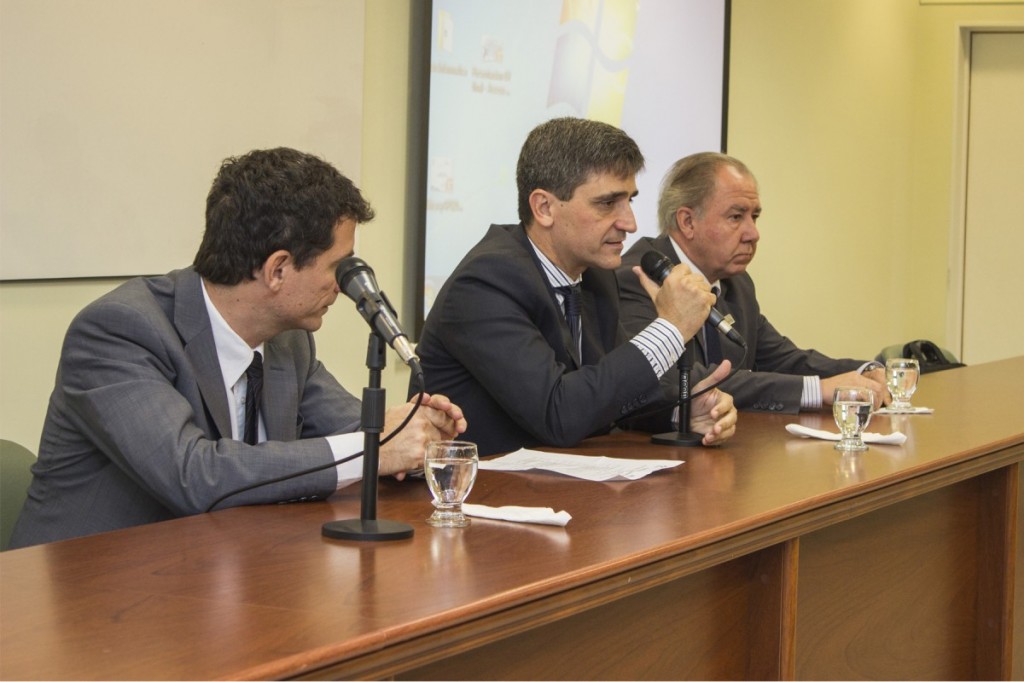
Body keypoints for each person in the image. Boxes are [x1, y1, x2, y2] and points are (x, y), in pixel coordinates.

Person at [10, 147, 466, 548]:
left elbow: (354, 432)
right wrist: (376, 448)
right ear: (277, 269)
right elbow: (193, 476)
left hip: (221, 578)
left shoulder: (289, 341)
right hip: (88, 592)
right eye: (337, 268)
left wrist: (415, 435)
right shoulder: (119, 332)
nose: (341, 288)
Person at [415, 118, 737, 457]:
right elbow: (559, 413)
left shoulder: (595, 275)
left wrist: (681, 413)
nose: (630, 223)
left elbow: (608, 395)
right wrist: (671, 328)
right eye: (607, 203)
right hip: (477, 485)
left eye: (629, 200)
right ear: (544, 208)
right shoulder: (485, 283)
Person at [616, 152, 888, 413]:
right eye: (736, 217)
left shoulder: (736, 283)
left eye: (754, 217)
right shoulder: (637, 278)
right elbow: (677, 381)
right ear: (687, 222)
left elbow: (780, 358)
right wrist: (817, 390)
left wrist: (862, 372)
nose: (753, 234)